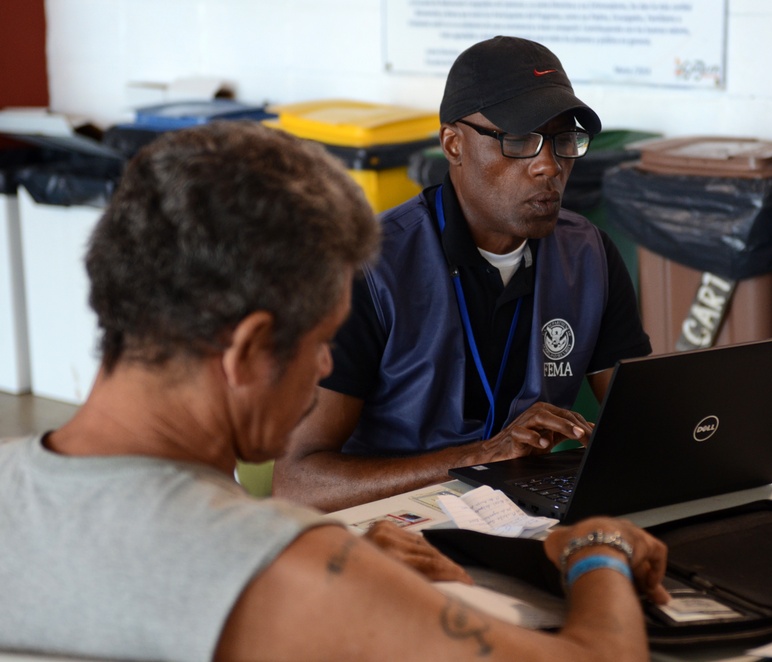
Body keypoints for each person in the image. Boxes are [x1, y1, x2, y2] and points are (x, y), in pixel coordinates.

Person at [0, 121, 669, 661]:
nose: (325, 368)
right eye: (321, 341)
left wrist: (349, 570)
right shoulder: (285, 570)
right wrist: (597, 551)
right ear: (248, 351)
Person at [273, 35, 651, 512]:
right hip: (393, 523)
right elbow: (296, 483)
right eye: (519, 140)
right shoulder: (367, 266)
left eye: (563, 140)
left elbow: (642, 427)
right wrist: (477, 458)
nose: (549, 165)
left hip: (522, 514)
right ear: (453, 144)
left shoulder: (589, 254)